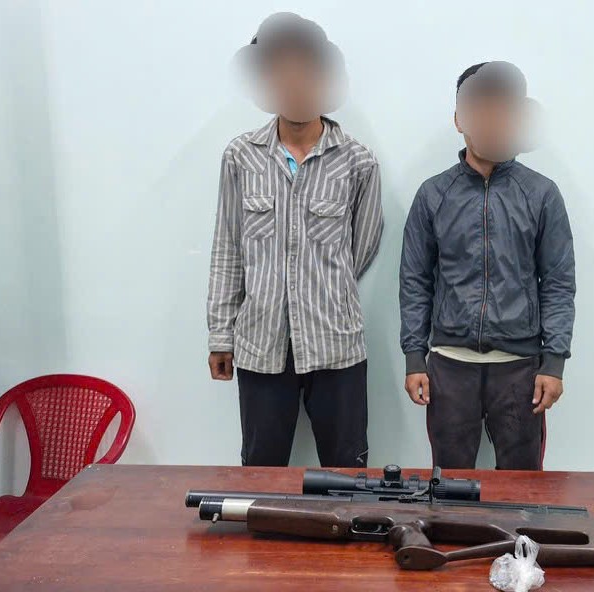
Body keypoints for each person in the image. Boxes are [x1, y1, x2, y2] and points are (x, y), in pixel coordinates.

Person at [207, 13, 383, 468]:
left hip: (336, 344)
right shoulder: (241, 157)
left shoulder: (358, 161)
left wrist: (321, 285)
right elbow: (228, 248)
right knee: (261, 472)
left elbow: (361, 248)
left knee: (347, 473)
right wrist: (220, 334)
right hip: (260, 345)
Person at [400, 61, 575, 470]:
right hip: (448, 366)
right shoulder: (433, 194)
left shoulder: (541, 194)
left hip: (520, 369)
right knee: (449, 484)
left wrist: (554, 362)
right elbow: (414, 280)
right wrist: (414, 357)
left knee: (522, 487)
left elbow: (557, 282)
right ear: (460, 118)